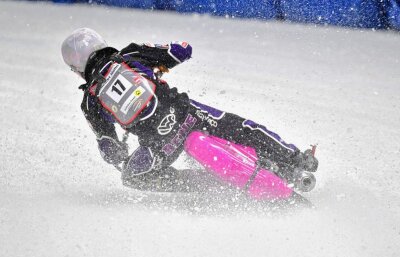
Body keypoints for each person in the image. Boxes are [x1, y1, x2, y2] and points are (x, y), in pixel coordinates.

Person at [61, 28, 318, 191]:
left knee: (130, 178)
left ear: (76, 68)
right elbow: (182, 50)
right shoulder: (130, 55)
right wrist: (161, 64)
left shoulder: (89, 102)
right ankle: (296, 159)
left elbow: (109, 149)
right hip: (189, 116)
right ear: (101, 44)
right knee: (241, 127)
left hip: (159, 146)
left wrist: (123, 157)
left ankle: (203, 187)